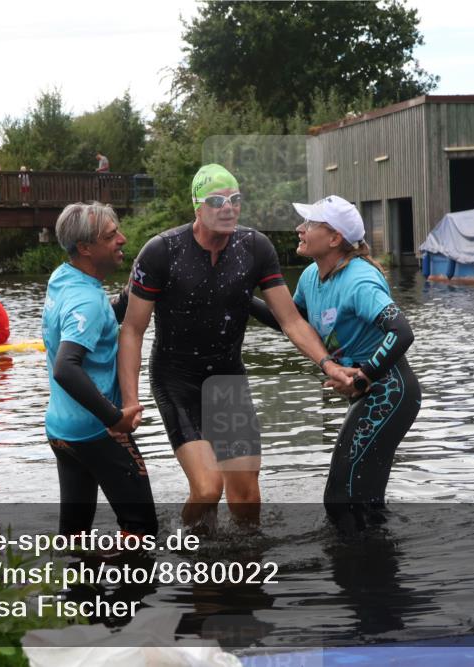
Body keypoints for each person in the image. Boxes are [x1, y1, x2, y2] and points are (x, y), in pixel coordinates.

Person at [118, 164, 354, 527]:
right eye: (216, 201)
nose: (228, 208)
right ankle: (185, 541)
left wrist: (329, 364)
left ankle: (243, 559)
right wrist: (130, 400)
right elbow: (133, 330)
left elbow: (291, 320)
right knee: (207, 489)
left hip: (227, 380)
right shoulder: (162, 251)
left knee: (246, 499)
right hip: (176, 380)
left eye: (235, 200)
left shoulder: (255, 248)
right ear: (197, 206)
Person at [252, 195, 421, 533]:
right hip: (369, 394)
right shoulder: (311, 277)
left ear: (334, 238)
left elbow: (402, 332)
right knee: (361, 498)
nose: (299, 229)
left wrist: (362, 378)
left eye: (309, 224)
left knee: (340, 499)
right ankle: (376, 556)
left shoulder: (359, 280)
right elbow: (291, 322)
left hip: (390, 392)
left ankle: (360, 559)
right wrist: (241, 296)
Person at [44, 202, 157, 537]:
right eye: (110, 236)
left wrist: (134, 290)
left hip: (61, 430)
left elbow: (99, 318)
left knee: (75, 533)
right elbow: (66, 367)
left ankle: (78, 574)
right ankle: (128, 575)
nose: (122, 239)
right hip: (98, 431)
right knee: (141, 530)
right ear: (85, 248)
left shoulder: (63, 278)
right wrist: (114, 417)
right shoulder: (87, 301)